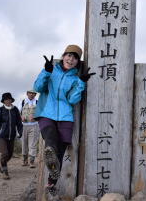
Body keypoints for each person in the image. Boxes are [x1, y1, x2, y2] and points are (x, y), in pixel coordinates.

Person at [33, 44, 95, 196]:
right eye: (68, 55)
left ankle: (51, 184)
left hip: (66, 117)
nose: (71, 59)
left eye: (75, 57)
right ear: (64, 55)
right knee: (51, 138)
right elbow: (37, 87)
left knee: (59, 152)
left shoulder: (75, 78)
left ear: (77, 62)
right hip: (47, 112)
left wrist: (81, 83)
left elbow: (73, 100)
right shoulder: (51, 71)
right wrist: (46, 71)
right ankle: (50, 161)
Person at [0, 92, 23, 179]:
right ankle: (5, 171)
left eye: (9, 99)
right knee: (4, 153)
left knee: (9, 155)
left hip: (12, 136)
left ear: (11, 100)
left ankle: (2, 164)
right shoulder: (0, 110)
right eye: (6, 100)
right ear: (3, 101)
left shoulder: (15, 110)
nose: (7, 101)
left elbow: (19, 123)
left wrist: (20, 132)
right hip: (2, 136)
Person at [21, 90, 39, 168]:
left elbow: (41, 112)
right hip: (23, 125)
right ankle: (25, 160)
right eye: (30, 93)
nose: (31, 94)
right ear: (27, 94)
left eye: (33, 93)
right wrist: (21, 117)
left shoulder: (38, 102)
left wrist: (36, 117)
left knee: (33, 144)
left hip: (34, 125)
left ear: (35, 94)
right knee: (24, 143)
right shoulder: (22, 102)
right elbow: (18, 112)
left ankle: (32, 161)